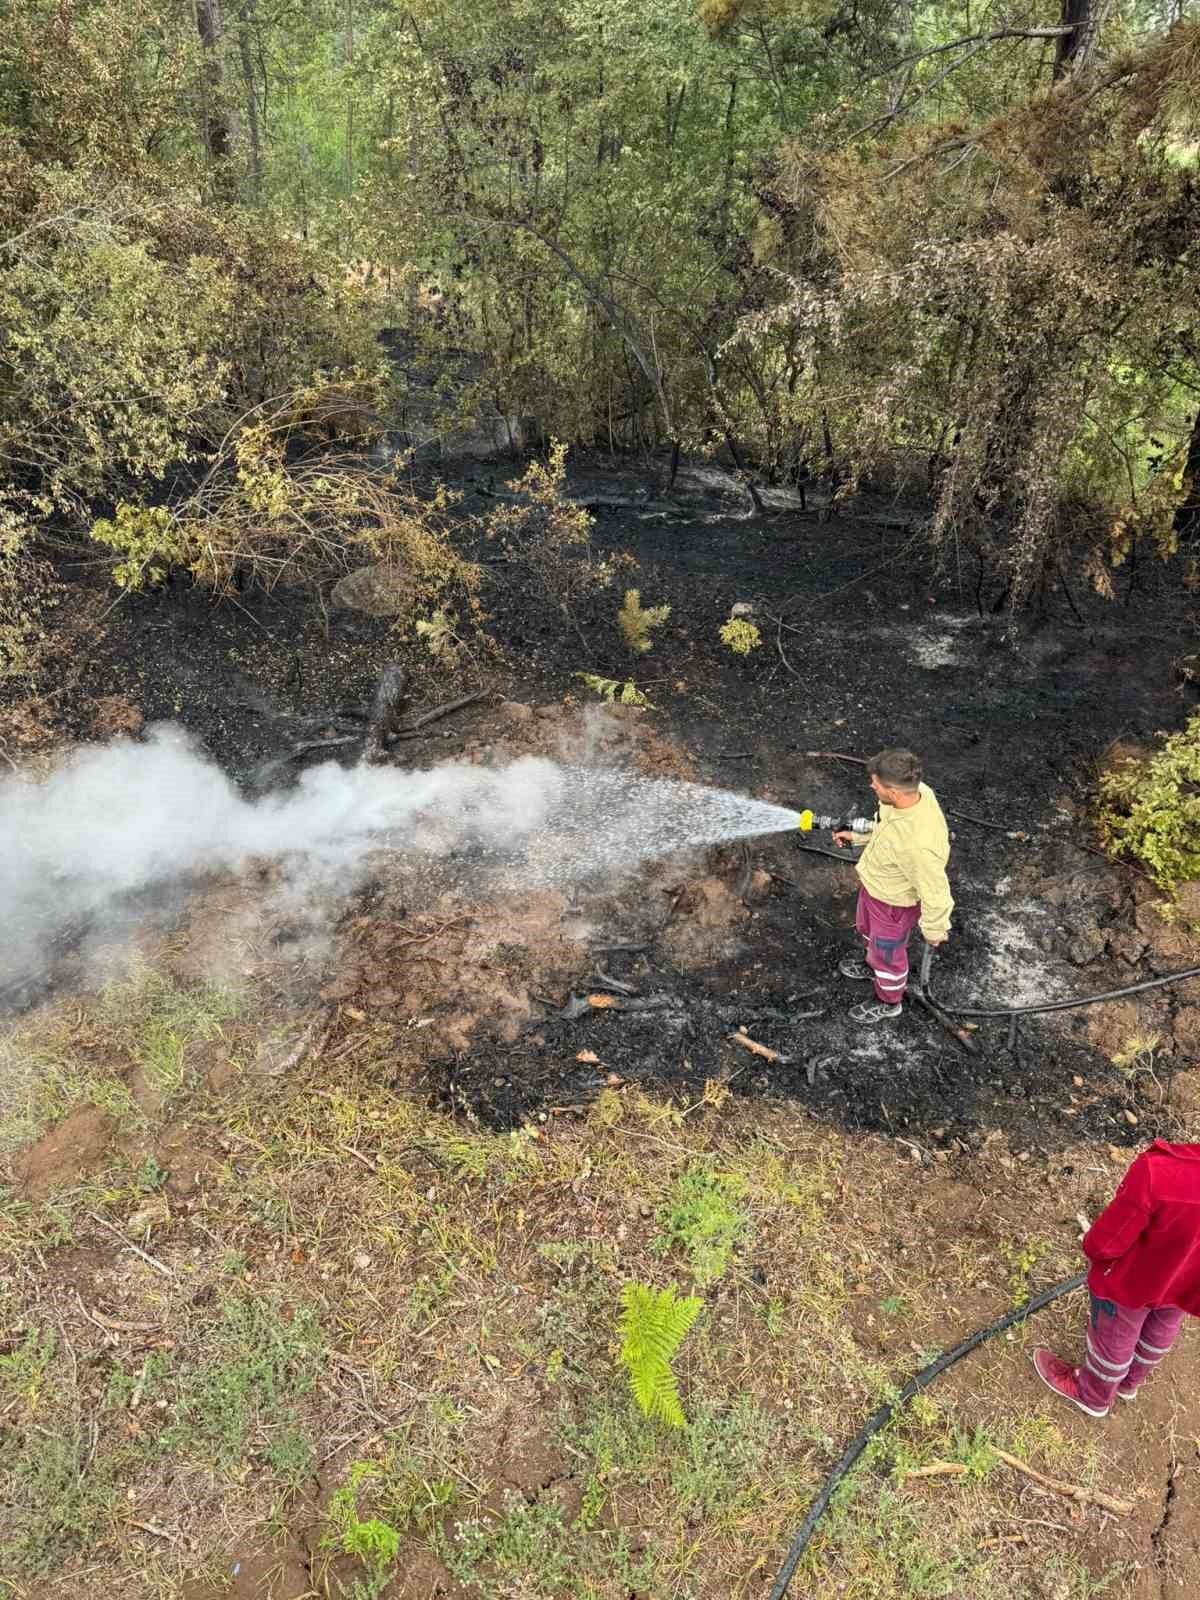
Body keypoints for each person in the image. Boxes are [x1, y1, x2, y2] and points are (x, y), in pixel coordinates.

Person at [1033, 1141, 1200, 1417]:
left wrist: (1092, 1247)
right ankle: (1129, 1382)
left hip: (1133, 1281)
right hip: (1187, 1282)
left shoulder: (1159, 1171)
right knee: (1164, 1324)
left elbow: (1105, 1244)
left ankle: (1093, 1396)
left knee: (1114, 1336)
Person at [832, 748, 953, 1025]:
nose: (871, 786)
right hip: (875, 888)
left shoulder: (919, 846)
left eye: (875, 783)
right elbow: (888, 832)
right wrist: (857, 837)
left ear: (894, 792)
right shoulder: (913, 795)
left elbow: (936, 892)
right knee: (866, 931)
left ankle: (888, 1001)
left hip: (893, 905)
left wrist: (935, 929)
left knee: (888, 954)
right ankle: (871, 963)